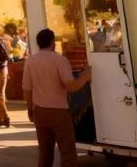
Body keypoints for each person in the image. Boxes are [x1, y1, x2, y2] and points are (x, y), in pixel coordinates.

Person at [22, 29, 93, 167]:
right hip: (59, 111)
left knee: (45, 153)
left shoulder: (30, 61)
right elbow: (71, 86)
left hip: (40, 112)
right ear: (52, 42)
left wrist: (30, 109)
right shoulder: (60, 60)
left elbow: (27, 89)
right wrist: (85, 76)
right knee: (67, 152)